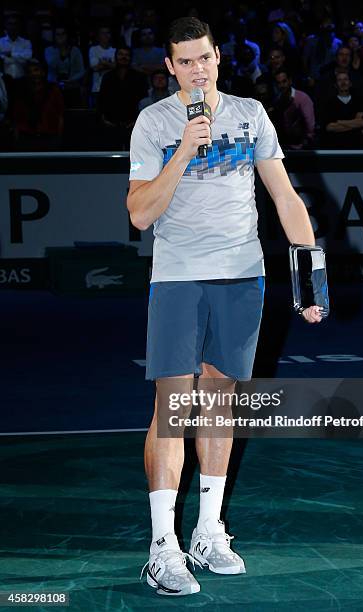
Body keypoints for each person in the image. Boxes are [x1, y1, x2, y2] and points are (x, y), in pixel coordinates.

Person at [127, 16, 322, 597]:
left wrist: (312, 282)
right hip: (179, 276)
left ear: (218, 58)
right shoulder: (154, 123)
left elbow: (284, 196)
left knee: (218, 398)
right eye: (184, 62)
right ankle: (163, 546)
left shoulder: (250, 114)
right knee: (174, 403)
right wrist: (185, 150)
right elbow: (140, 213)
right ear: (170, 67)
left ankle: (209, 531)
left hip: (242, 276)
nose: (197, 70)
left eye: (204, 58)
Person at [98, 46, 148, 148]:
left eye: (127, 55)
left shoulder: (139, 77)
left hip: (134, 124)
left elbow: (144, 101)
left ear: (131, 58)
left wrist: (137, 121)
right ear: (115, 57)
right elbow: (101, 98)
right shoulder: (108, 76)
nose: (123, 57)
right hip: (111, 123)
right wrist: (103, 118)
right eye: (121, 54)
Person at [11, 59, 64, 151]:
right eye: (30, 72)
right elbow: (16, 116)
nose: (34, 74)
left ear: (43, 72)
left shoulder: (53, 89)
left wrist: (59, 138)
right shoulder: (21, 91)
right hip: (26, 137)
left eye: (36, 70)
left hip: (49, 137)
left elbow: (60, 114)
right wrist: (17, 139)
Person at [321, 70, 363, 149]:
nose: (343, 82)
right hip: (335, 146)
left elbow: (361, 123)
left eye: (345, 79)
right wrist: (353, 124)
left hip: (356, 146)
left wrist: (340, 122)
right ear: (335, 85)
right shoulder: (329, 103)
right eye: (339, 80)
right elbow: (330, 127)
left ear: (350, 83)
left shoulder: (359, 101)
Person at [272, 69, 315, 149]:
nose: (282, 85)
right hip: (285, 146)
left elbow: (310, 127)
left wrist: (303, 144)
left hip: (303, 147)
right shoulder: (277, 101)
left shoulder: (303, 98)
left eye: (284, 81)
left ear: (290, 81)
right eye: (279, 83)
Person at [45, 26, 85, 108]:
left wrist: (71, 80)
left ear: (67, 35)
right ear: (54, 36)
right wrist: (60, 49)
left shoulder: (75, 50)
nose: (61, 36)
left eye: (63, 34)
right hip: (54, 87)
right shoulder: (49, 50)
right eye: (58, 34)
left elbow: (81, 71)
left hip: (72, 87)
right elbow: (52, 64)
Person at [0, 15, 32, 81]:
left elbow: (28, 56)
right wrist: (20, 57)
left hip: (22, 80)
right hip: (4, 80)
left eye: (15, 24)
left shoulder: (26, 42)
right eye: (10, 24)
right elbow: (1, 60)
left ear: (18, 26)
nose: (12, 27)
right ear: (6, 26)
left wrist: (10, 54)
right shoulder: (0, 42)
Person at [89, 25, 116, 104]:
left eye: (107, 33)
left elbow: (116, 67)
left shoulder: (114, 50)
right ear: (98, 35)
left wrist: (102, 62)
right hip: (96, 88)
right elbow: (95, 68)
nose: (105, 35)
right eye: (103, 33)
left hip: (112, 88)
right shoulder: (93, 49)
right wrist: (110, 64)